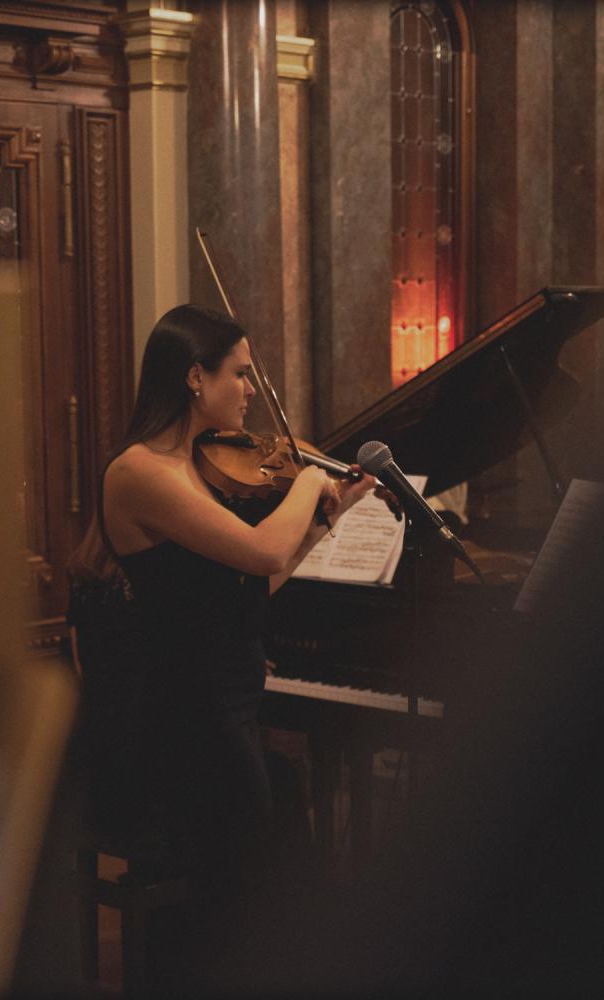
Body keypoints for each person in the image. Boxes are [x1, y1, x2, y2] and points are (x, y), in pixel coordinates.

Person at [69, 303, 387, 987]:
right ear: (195, 378)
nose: (249, 390)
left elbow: (250, 585)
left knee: (280, 824)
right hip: (173, 728)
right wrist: (310, 481)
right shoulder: (138, 472)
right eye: (239, 374)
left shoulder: (197, 467)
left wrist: (331, 518)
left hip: (217, 711)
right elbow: (261, 551)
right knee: (257, 865)